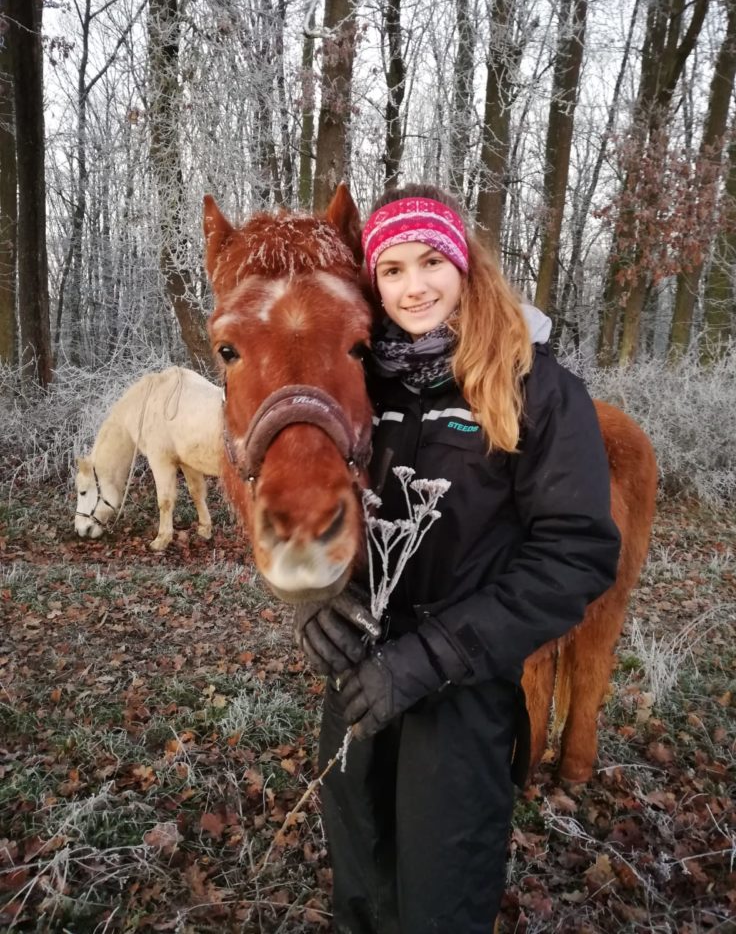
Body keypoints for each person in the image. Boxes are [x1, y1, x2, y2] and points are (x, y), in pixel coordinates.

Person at [294, 184, 621, 934]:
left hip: (461, 696)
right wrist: (313, 603)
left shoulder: (535, 387)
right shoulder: (358, 382)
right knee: (360, 888)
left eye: (432, 260)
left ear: (466, 265)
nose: (414, 286)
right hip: (355, 683)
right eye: (393, 269)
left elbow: (575, 555)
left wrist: (427, 659)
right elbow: (302, 498)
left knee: (438, 903)